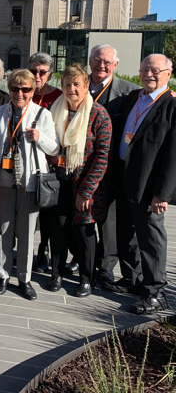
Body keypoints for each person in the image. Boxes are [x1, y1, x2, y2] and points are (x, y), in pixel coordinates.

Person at [0, 69, 59, 301]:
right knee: (3, 229)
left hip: (29, 183)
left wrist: (39, 137)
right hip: (2, 182)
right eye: (15, 88)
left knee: (25, 232)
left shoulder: (41, 114)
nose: (20, 93)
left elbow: (54, 149)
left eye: (25, 89)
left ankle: (24, 279)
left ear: (32, 91)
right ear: (9, 89)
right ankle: (3, 275)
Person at [112, 54, 176, 314]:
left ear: (168, 74)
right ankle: (133, 279)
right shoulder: (133, 97)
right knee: (126, 234)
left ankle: (156, 291)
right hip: (125, 179)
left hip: (150, 186)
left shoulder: (171, 105)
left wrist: (163, 194)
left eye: (155, 70)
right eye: (144, 69)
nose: (149, 74)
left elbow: (174, 154)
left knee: (151, 239)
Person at [46, 64, 112, 297]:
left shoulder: (99, 114)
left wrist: (87, 191)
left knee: (84, 233)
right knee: (59, 229)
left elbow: (103, 156)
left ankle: (86, 278)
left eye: (76, 84)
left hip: (85, 185)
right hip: (58, 182)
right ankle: (56, 273)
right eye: (67, 84)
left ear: (86, 87)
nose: (71, 89)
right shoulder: (54, 109)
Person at [87, 44, 140, 286]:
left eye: (108, 62)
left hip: (113, 170)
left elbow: (155, 102)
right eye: (98, 60)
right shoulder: (76, 86)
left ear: (115, 65)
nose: (102, 65)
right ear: (90, 60)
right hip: (81, 167)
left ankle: (106, 267)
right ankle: (83, 260)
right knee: (83, 216)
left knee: (110, 221)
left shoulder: (130, 93)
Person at [28, 52, 70, 274]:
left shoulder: (58, 96)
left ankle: (45, 251)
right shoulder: (21, 91)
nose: (37, 75)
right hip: (25, 162)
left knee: (49, 213)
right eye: (33, 70)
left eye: (42, 72)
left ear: (50, 74)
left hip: (50, 162)